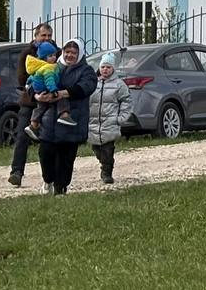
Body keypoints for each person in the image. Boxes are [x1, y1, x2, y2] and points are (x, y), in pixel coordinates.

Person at [35, 38, 97, 196]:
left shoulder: (86, 70)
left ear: (79, 54)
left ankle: (60, 188)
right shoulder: (53, 66)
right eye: (67, 52)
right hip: (50, 121)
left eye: (74, 53)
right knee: (45, 153)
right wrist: (37, 96)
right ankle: (48, 180)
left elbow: (86, 87)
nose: (69, 55)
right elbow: (35, 81)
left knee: (65, 159)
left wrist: (62, 93)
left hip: (72, 121)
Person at [8, 21, 53, 188]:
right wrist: (36, 89)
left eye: (49, 35)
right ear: (36, 36)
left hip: (50, 101)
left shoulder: (56, 51)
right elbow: (22, 79)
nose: (46, 38)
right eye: (43, 35)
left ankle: (49, 176)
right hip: (30, 101)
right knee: (22, 137)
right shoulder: (27, 53)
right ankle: (16, 172)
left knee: (49, 140)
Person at [88, 52, 134, 185]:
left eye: (108, 67)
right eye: (103, 67)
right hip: (94, 122)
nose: (105, 70)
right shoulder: (93, 83)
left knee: (108, 150)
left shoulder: (119, 84)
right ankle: (103, 162)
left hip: (110, 122)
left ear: (113, 69)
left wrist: (121, 118)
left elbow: (126, 101)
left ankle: (107, 172)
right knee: (97, 149)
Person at [23, 42, 77, 138]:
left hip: (40, 91)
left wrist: (28, 84)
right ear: (44, 58)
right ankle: (64, 115)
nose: (54, 58)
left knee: (41, 107)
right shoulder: (49, 67)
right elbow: (49, 80)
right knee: (61, 98)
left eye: (54, 55)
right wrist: (53, 90)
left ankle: (33, 124)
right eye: (50, 56)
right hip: (47, 89)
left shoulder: (40, 66)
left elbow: (32, 77)